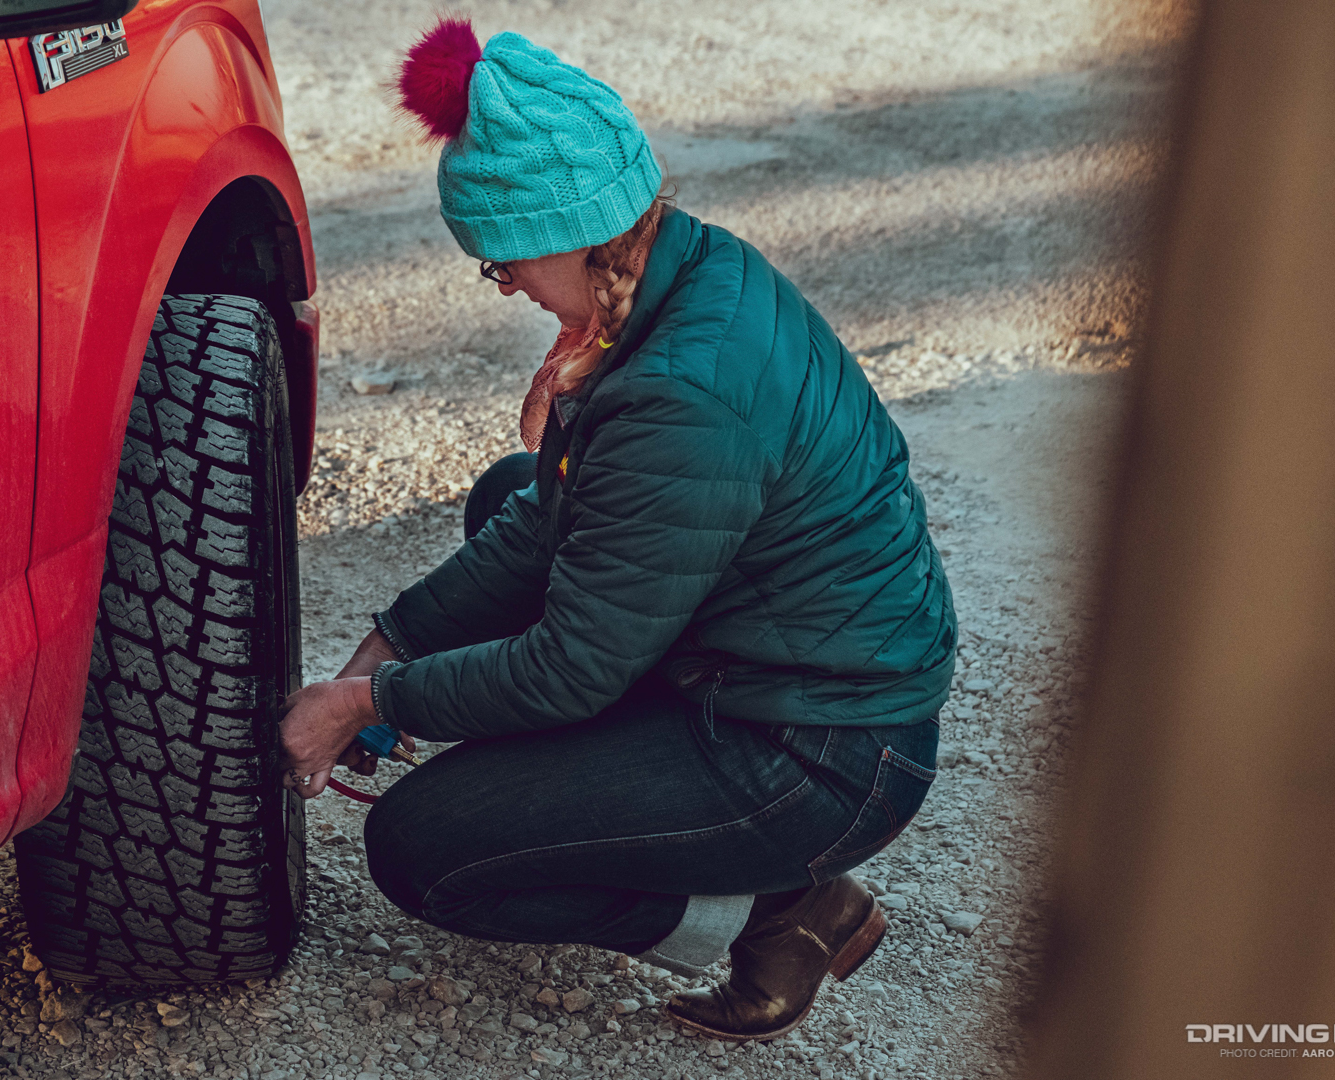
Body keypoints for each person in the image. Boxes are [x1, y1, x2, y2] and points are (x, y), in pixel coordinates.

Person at [278, 18, 956, 1042]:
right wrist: (400, 635)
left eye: (502, 265)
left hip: (816, 755)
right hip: (785, 667)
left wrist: (368, 700)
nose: (504, 287)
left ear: (571, 234)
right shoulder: (687, 274)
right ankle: (682, 832)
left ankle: (770, 911)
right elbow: (550, 521)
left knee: (426, 849)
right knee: (517, 483)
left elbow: (570, 669)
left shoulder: (679, 395)